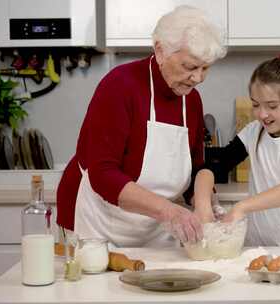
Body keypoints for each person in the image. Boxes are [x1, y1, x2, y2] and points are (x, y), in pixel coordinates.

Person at [56, 5, 227, 247]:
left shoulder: (192, 99)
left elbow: (196, 167)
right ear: (160, 51)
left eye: (206, 68)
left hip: (154, 226)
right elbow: (103, 174)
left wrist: (204, 204)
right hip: (96, 222)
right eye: (190, 67)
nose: (198, 78)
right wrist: (170, 212)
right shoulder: (120, 86)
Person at [197, 55, 280, 246]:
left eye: (272, 106)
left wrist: (242, 207)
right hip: (257, 250)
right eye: (256, 104)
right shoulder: (253, 131)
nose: (262, 114)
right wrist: (203, 208)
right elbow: (212, 166)